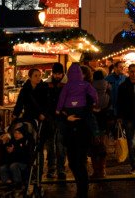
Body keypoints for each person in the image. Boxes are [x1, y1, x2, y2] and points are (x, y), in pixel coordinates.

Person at [56, 64, 98, 198]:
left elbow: (89, 110)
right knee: (74, 162)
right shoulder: (82, 88)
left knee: (78, 162)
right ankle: (81, 188)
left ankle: (82, 191)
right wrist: (66, 116)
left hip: (81, 132)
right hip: (71, 131)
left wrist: (70, 115)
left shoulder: (83, 89)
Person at [45, 62, 67, 180]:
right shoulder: (47, 84)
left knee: (60, 145)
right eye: (55, 73)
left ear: (62, 73)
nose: (57, 76)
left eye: (59, 74)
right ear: (52, 73)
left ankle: (61, 169)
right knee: (50, 145)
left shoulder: (66, 84)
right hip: (50, 118)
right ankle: (51, 168)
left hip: (62, 118)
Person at [0, 123, 33, 189]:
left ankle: (18, 183)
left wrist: (14, 150)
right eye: (15, 133)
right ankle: (8, 183)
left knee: (14, 166)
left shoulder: (26, 141)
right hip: (12, 162)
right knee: (3, 168)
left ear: (23, 134)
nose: (16, 135)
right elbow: (5, 153)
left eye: (19, 133)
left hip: (23, 163)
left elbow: (25, 154)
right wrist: (4, 145)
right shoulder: (12, 141)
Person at [91, 68, 111, 178]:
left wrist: (93, 109)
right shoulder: (108, 87)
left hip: (93, 120)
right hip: (104, 119)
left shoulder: (89, 87)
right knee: (103, 146)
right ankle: (102, 170)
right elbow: (111, 102)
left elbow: (87, 102)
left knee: (94, 146)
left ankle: (95, 170)